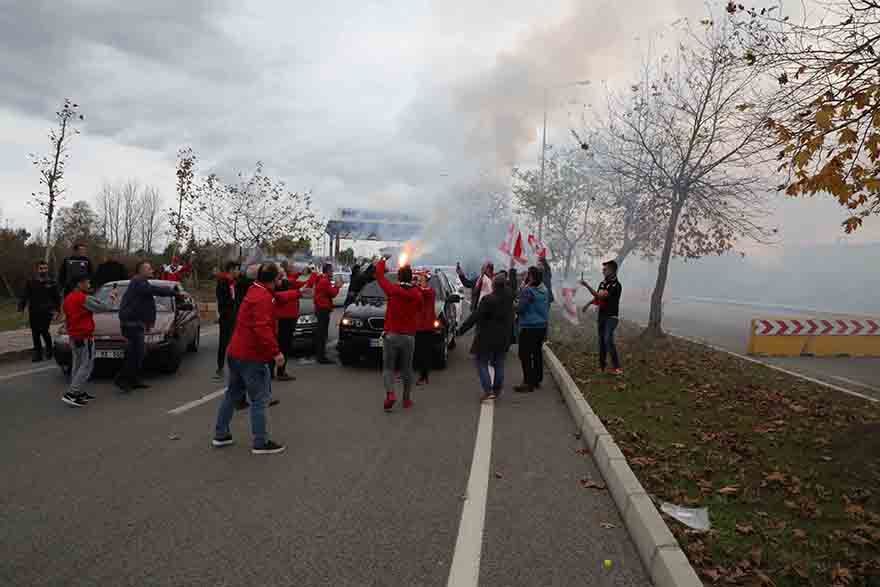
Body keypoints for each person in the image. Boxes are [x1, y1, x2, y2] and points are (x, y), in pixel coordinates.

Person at [212, 263, 286, 455]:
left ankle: (221, 434)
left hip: (236, 352)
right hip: (252, 356)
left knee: (232, 394)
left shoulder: (256, 290)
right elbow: (262, 328)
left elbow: (277, 297)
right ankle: (260, 442)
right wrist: (276, 352)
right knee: (259, 399)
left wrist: (299, 293)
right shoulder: (262, 298)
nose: (282, 281)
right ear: (273, 280)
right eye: (280, 278)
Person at [114, 261, 182, 392]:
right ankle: (122, 379)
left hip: (136, 322)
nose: (152, 270)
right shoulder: (138, 281)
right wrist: (173, 292)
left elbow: (147, 299)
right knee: (136, 353)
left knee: (138, 353)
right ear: (141, 271)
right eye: (149, 268)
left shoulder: (142, 282)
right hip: (131, 323)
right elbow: (154, 290)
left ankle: (133, 380)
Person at [375, 257, 423, 411]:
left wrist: (383, 260)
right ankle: (406, 400)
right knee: (407, 369)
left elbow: (379, 276)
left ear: (398, 277)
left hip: (391, 335)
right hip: (409, 337)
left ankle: (390, 394)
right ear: (411, 277)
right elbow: (420, 309)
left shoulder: (393, 290)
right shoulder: (417, 294)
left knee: (388, 368)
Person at [457, 273, 514, 402]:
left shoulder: (488, 300)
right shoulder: (509, 296)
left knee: (481, 362)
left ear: (493, 286)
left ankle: (488, 391)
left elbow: (475, 317)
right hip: (504, 336)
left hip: (487, 338)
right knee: (499, 364)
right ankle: (497, 390)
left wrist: (461, 330)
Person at [61, 275, 111, 407]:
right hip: (84, 336)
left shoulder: (68, 298)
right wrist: (111, 298)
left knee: (77, 365)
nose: (89, 284)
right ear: (79, 284)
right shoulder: (81, 298)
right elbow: (102, 308)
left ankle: (78, 392)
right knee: (87, 365)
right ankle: (72, 393)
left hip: (74, 335)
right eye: (87, 282)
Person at [581, 260, 623, 375]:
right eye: (603, 269)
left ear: (613, 270)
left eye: (605, 269)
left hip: (612, 317)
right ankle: (602, 366)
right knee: (601, 341)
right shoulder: (603, 283)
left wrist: (586, 285)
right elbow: (598, 298)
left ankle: (617, 367)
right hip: (602, 316)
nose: (603, 271)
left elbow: (599, 295)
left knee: (607, 339)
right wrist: (588, 304)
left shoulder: (616, 285)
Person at [515, 266, 550, 393]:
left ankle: (527, 383)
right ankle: (536, 380)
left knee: (524, 354)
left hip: (529, 327)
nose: (525, 277)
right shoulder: (544, 289)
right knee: (536, 353)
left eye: (527, 275)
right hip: (541, 326)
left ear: (531, 277)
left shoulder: (528, 291)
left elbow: (520, 308)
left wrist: (515, 303)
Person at [18, 261, 61, 362]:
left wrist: (58, 311)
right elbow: (25, 295)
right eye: (41, 268)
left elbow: (57, 298)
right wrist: (21, 307)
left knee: (44, 330)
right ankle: (38, 354)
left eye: (45, 268)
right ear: (37, 269)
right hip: (34, 310)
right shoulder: (31, 282)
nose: (43, 270)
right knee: (35, 333)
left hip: (47, 311)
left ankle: (49, 350)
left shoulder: (52, 282)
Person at [273, 268, 309, 381]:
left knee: (280, 346)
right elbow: (298, 283)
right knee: (283, 347)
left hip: (285, 319)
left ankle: (274, 371)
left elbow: (293, 279)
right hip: (285, 319)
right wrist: (315, 275)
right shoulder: (284, 284)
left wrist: (300, 272)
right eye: (281, 273)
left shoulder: (283, 283)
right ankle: (280, 372)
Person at [214, 261, 241, 380]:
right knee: (224, 343)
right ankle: (220, 368)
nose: (238, 272)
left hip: (235, 316)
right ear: (231, 270)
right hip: (226, 317)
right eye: (237, 269)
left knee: (235, 343)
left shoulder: (235, 282)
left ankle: (235, 368)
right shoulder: (222, 282)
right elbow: (222, 301)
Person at [312, 263, 341, 364]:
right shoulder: (325, 281)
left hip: (321, 308)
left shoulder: (323, 280)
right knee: (322, 334)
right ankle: (321, 357)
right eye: (331, 270)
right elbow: (332, 293)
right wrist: (337, 287)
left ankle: (320, 355)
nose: (332, 272)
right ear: (327, 271)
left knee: (321, 333)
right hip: (323, 309)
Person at [413, 272, 436, 386]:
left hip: (426, 326)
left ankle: (424, 377)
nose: (419, 281)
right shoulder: (420, 290)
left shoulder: (430, 291)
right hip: (418, 325)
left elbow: (421, 291)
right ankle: (420, 374)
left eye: (421, 279)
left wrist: (414, 285)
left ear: (426, 281)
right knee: (417, 351)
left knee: (424, 353)